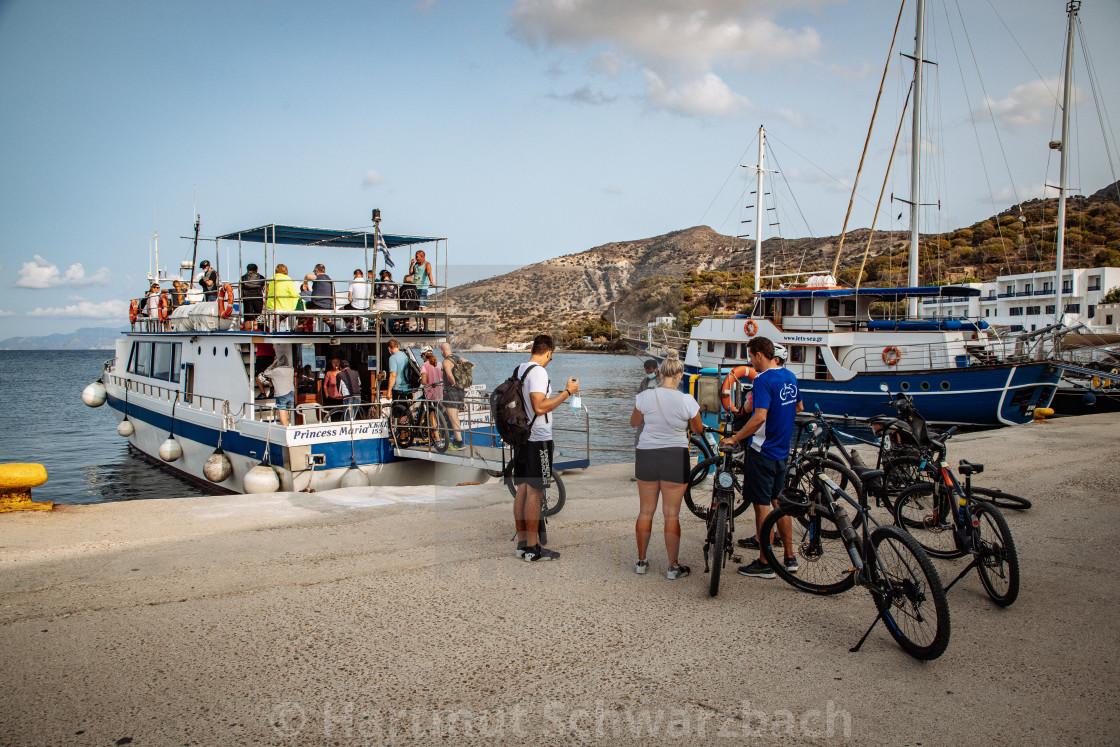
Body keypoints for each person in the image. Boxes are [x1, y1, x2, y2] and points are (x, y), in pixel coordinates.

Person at [719, 337, 803, 579]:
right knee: (780, 503)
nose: (749, 361)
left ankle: (765, 561)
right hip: (782, 451)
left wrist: (734, 439)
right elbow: (798, 407)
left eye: (750, 356)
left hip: (762, 451)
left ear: (758, 355)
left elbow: (759, 417)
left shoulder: (763, 380)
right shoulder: (789, 376)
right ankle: (789, 556)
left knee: (762, 506)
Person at [629, 352, 703, 579]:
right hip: (675, 456)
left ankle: (641, 561)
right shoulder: (687, 400)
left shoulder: (645, 396)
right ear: (680, 375)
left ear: (660, 374)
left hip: (647, 455)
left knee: (645, 511)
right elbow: (698, 429)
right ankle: (673, 566)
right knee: (671, 515)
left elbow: (634, 422)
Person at [512, 334, 579, 563]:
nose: (550, 360)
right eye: (551, 356)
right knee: (535, 491)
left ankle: (523, 543)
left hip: (521, 437)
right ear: (548, 351)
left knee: (522, 488)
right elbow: (539, 407)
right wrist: (567, 393)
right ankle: (533, 548)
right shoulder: (539, 372)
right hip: (537, 439)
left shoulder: (520, 369)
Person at [440, 342, 467, 450]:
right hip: (460, 392)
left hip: (451, 391)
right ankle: (457, 439)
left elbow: (449, 375)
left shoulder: (446, 361)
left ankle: (459, 443)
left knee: (452, 417)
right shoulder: (459, 358)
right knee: (455, 416)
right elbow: (472, 365)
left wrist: (454, 382)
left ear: (442, 351)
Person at [259, 354, 295, 426]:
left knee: (282, 418)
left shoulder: (277, 370)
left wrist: (273, 364)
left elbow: (265, 373)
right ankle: (288, 431)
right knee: (286, 417)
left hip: (282, 395)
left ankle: (287, 434)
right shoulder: (291, 369)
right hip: (291, 394)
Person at [634, 359, 660, 451]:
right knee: (640, 440)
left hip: (657, 418)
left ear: (656, 369)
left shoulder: (662, 381)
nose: (649, 374)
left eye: (651, 372)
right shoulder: (644, 381)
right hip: (644, 416)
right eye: (647, 372)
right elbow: (638, 395)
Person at [265, 264, 300, 330]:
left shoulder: (272, 279)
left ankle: (274, 327)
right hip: (283, 305)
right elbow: (294, 293)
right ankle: (294, 329)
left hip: (272, 304)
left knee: (278, 318)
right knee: (296, 306)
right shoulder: (288, 279)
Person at [385, 338, 412, 423]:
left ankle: (402, 435)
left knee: (399, 413)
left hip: (399, 388)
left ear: (389, 348)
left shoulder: (393, 358)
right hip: (407, 387)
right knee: (406, 410)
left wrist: (389, 391)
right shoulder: (405, 355)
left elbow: (393, 375)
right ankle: (407, 432)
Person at [409, 250, 434, 330]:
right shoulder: (416, 265)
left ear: (422, 256)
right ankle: (418, 326)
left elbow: (429, 272)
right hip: (415, 287)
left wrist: (431, 281)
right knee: (416, 307)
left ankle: (425, 327)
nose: (416, 258)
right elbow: (411, 273)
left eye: (417, 256)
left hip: (422, 287)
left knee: (422, 307)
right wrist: (412, 264)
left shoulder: (427, 264)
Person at [309, 264, 335, 331]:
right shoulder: (329, 279)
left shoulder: (318, 277)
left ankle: (303, 326)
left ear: (316, 271)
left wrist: (305, 282)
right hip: (330, 305)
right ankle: (330, 324)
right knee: (322, 312)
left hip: (318, 305)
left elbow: (308, 276)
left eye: (314, 271)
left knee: (306, 306)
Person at [240, 263, 266, 330]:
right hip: (258, 298)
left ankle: (248, 331)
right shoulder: (261, 277)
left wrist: (241, 297)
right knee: (256, 316)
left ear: (248, 270)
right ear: (256, 270)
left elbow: (239, 288)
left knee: (248, 318)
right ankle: (255, 330)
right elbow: (265, 288)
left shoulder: (243, 277)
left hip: (247, 298)